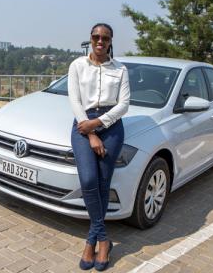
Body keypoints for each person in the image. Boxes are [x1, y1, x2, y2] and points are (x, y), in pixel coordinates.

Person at [68, 23, 130, 271]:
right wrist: (91, 131)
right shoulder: (77, 65)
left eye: (105, 37)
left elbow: (124, 104)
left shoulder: (121, 69)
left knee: (104, 183)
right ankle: (103, 239)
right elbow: (74, 99)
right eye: (96, 36)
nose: (100, 40)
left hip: (112, 126)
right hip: (83, 125)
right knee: (89, 181)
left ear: (111, 40)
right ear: (90, 39)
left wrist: (100, 123)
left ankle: (92, 241)